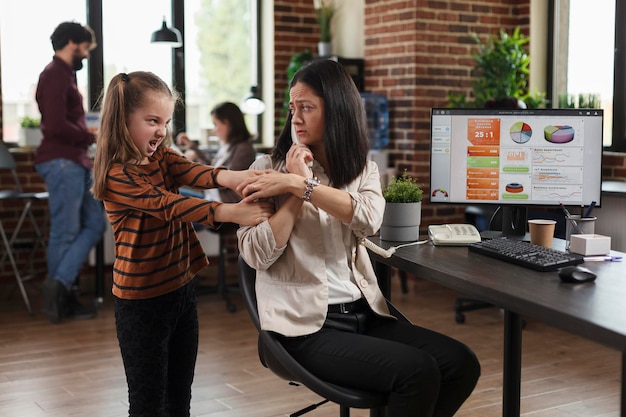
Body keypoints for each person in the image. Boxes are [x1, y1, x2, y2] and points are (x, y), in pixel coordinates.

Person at [236, 59, 481, 417]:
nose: (296, 119)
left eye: (306, 107)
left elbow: (369, 220)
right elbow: (257, 255)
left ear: (336, 112)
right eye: (292, 108)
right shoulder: (264, 170)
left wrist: (303, 185)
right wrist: (291, 185)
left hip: (364, 315)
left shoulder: (362, 169)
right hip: (303, 329)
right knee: (417, 372)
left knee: (461, 364)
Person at [90, 71, 272, 417]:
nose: (161, 130)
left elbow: (193, 172)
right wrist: (230, 212)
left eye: (166, 121)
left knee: (179, 397)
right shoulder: (117, 174)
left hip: (181, 289)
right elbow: (166, 205)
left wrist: (232, 176)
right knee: (147, 404)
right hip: (142, 303)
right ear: (123, 120)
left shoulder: (162, 156)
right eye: (152, 120)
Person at [35, 21, 107, 324]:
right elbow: (53, 125)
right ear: (71, 43)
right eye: (85, 48)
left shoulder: (65, 77)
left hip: (76, 161)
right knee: (65, 232)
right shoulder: (53, 76)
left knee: (94, 224)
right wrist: (89, 136)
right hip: (62, 161)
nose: (87, 55)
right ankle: (61, 299)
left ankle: (60, 285)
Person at [175, 101, 256, 203]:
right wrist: (192, 146)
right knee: (175, 193)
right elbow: (213, 167)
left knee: (176, 197)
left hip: (222, 201)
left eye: (215, 125)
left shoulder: (244, 149)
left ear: (227, 124)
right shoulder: (227, 146)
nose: (214, 130)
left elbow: (225, 179)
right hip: (210, 196)